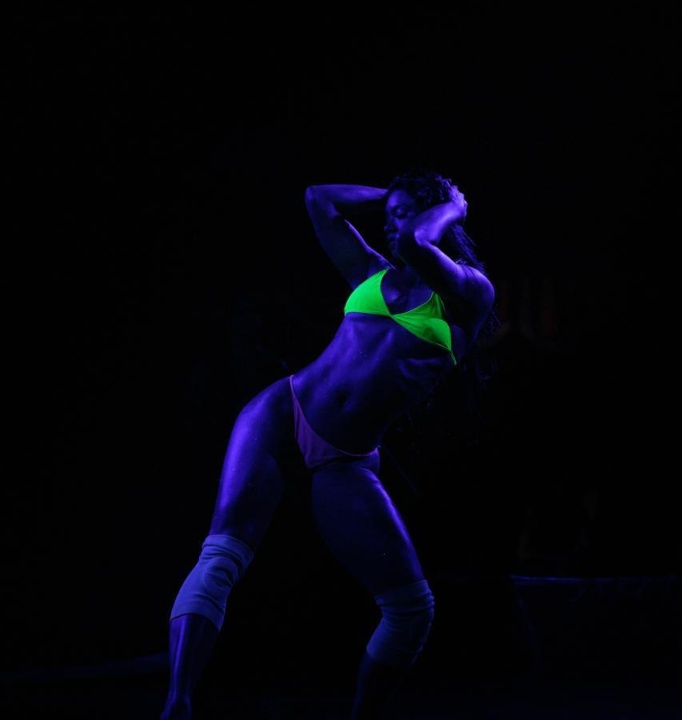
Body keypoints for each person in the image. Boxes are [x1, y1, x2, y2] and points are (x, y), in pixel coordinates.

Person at [160, 168, 497, 719]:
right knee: (222, 554)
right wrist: (392, 198)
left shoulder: (468, 293)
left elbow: (418, 242)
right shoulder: (371, 270)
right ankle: (177, 704)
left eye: (403, 215)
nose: (391, 226)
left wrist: (451, 206)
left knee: (411, 610)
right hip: (283, 409)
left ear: (437, 219)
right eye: (387, 217)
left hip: (344, 458)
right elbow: (317, 198)